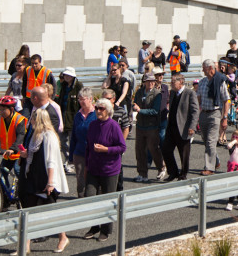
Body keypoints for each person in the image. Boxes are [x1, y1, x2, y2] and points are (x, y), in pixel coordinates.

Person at [21, 109, 69, 253]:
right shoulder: (36, 135)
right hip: (34, 177)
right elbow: (32, 154)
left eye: (33, 119)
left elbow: (51, 161)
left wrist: (50, 182)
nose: (31, 122)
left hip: (46, 178)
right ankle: (26, 246)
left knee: (51, 210)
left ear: (39, 120)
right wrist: (25, 154)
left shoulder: (49, 136)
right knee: (28, 210)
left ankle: (63, 237)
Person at [83, 98, 127, 241]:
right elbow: (88, 146)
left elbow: (122, 147)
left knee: (108, 200)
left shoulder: (114, 126)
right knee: (90, 197)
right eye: (97, 108)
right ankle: (94, 226)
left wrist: (106, 149)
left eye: (101, 108)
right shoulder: (93, 125)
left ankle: (106, 229)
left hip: (109, 170)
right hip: (93, 168)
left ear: (108, 111)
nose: (98, 111)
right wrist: (86, 165)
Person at [162, 73, 199, 182]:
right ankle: (173, 172)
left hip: (184, 127)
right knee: (166, 149)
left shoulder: (190, 93)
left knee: (184, 153)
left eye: (173, 82)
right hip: (171, 127)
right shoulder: (173, 92)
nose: (171, 84)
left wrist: (192, 126)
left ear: (181, 82)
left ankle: (183, 174)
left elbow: (195, 111)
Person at [132, 73, 167, 183]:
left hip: (152, 126)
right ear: (144, 82)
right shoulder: (139, 92)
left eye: (152, 81)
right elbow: (135, 103)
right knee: (140, 150)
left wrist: (140, 110)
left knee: (153, 149)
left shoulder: (157, 94)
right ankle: (142, 173)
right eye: (148, 81)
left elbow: (155, 111)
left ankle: (161, 167)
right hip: (140, 125)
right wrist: (134, 106)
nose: (151, 83)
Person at [196, 59, 229, 175]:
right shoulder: (202, 82)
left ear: (210, 68)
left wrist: (224, 117)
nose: (203, 71)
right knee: (205, 140)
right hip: (204, 113)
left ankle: (209, 168)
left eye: (204, 69)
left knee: (211, 141)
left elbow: (226, 100)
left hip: (215, 113)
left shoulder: (220, 82)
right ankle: (216, 160)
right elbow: (198, 99)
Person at [69, 88, 97, 197]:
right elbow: (73, 137)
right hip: (79, 151)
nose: (81, 102)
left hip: (94, 152)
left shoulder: (96, 114)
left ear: (90, 99)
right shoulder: (78, 115)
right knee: (80, 178)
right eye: (79, 99)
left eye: (83, 99)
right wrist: (71, 155)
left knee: (92, 176)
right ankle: (80, 198)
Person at [55, 67, 83, 157]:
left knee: (73, 141)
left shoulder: (78, 86)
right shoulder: (63, 86)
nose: (66, 77)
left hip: (73, 117)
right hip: (62, 115)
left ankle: (72, 160)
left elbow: (81, 102)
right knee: (62, 141)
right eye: (65, 75)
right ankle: (68, 157)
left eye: (68, 75)